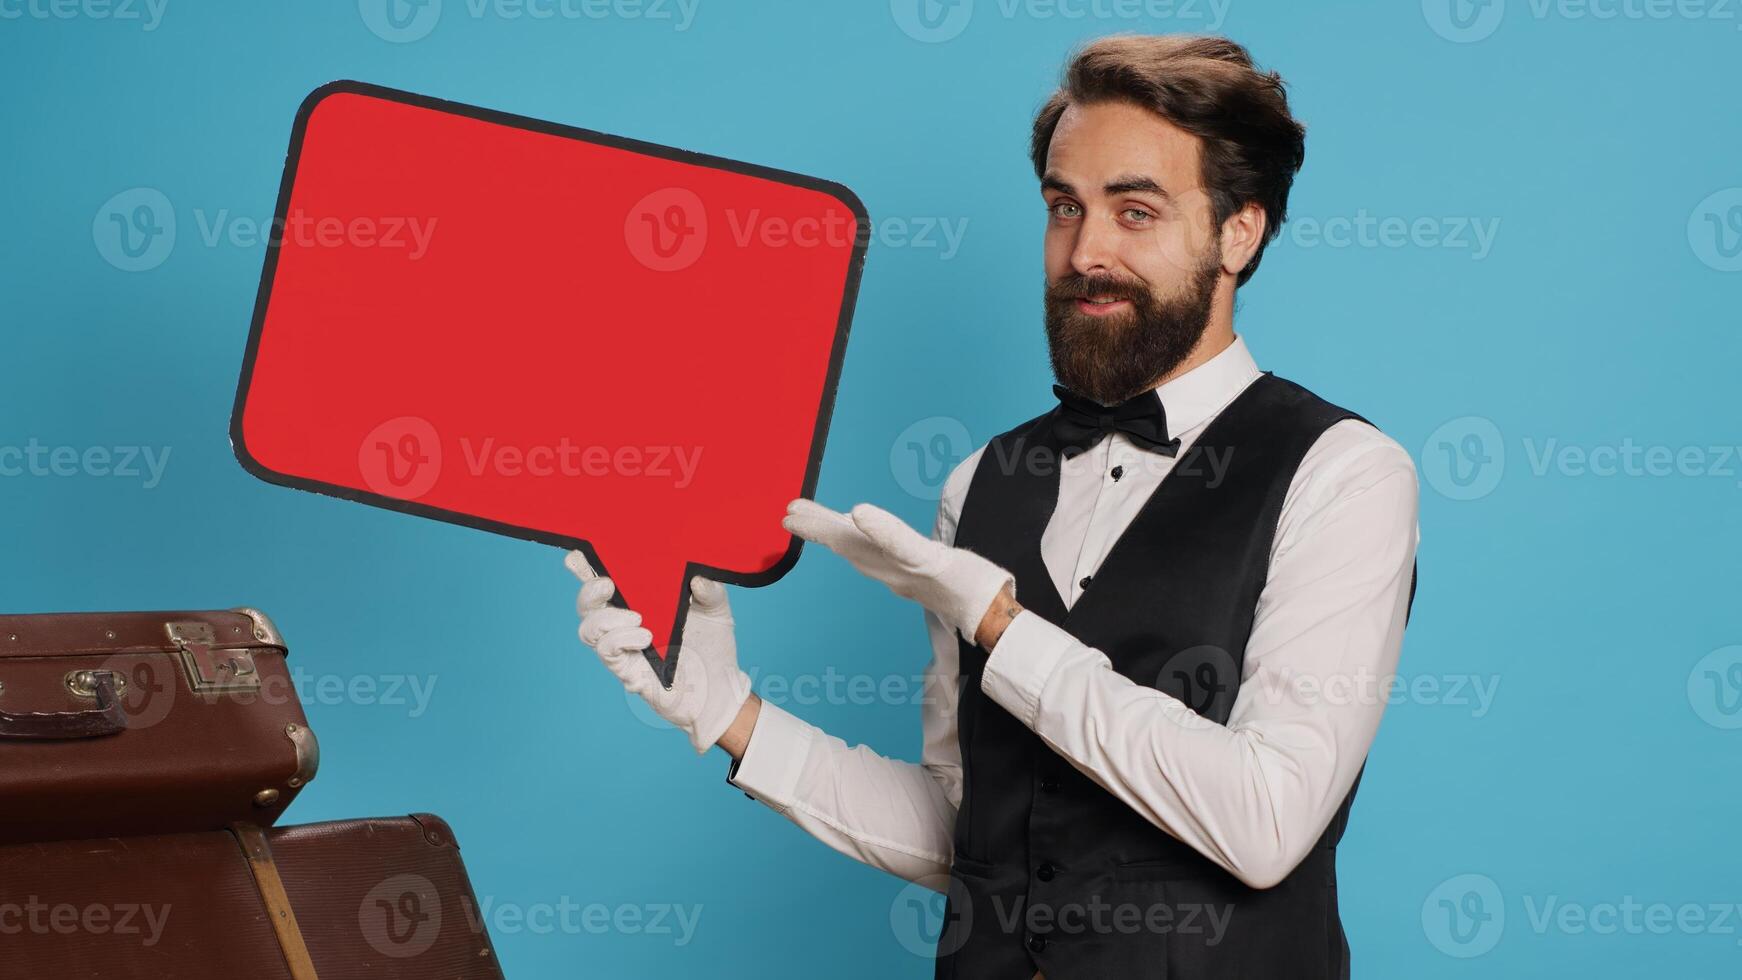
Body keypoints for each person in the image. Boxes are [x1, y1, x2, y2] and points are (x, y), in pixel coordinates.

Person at [570, 33, 1420, 980]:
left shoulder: (1343, 474)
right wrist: (729, 714)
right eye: (1065, 207)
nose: (1085, 252)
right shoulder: (979, 484)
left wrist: (1000, 625)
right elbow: (970, 831)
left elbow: (1266, 820)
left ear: (1238, 232)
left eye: (1135, 211)